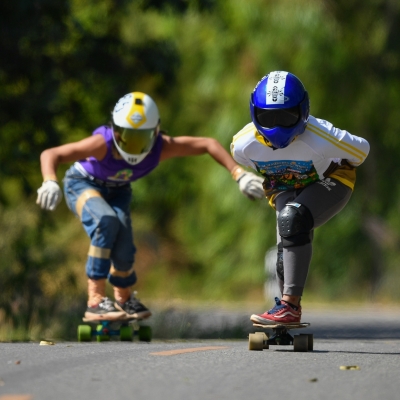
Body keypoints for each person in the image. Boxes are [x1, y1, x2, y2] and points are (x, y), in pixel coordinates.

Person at [37, 91, 265, 321]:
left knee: (125, 246)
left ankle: (124, 299)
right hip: (82, 183)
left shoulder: (161, 147)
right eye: (127, 137)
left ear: (155, 133)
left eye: (141, 138)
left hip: (119, 190)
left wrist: (239, 174)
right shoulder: (102, 144)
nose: (133, 147)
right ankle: (95, 300)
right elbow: (52, 154)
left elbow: (208, 144)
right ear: (114, 130)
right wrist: (49, 181)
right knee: (106, 221)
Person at [230, 71, 370, 324]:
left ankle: (289, 307)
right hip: (284, 185)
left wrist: (322, 168)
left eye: (286, 116)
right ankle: (285, 309)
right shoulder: (243, 145)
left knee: (293, 219)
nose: (277, 125)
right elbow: (246, 162)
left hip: (331, 180)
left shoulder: (323, 136)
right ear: (254, 113)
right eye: (268, 116)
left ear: (303, 111)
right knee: (286, 250)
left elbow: (361, 151)